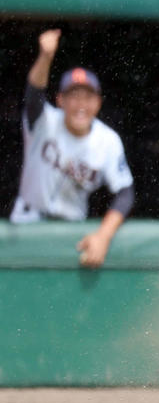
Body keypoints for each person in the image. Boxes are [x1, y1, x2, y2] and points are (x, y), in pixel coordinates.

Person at [10, 29, 134, 268]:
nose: (81, 105)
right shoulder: (44, 121)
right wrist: (45, 57)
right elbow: (33, 93)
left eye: (88, 98)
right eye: (73, 96)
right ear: (60, 100)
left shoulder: (107, 141)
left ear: (98, 103)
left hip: (71, 231)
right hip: (27, 223)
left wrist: (103, 236)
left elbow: (125, 193)